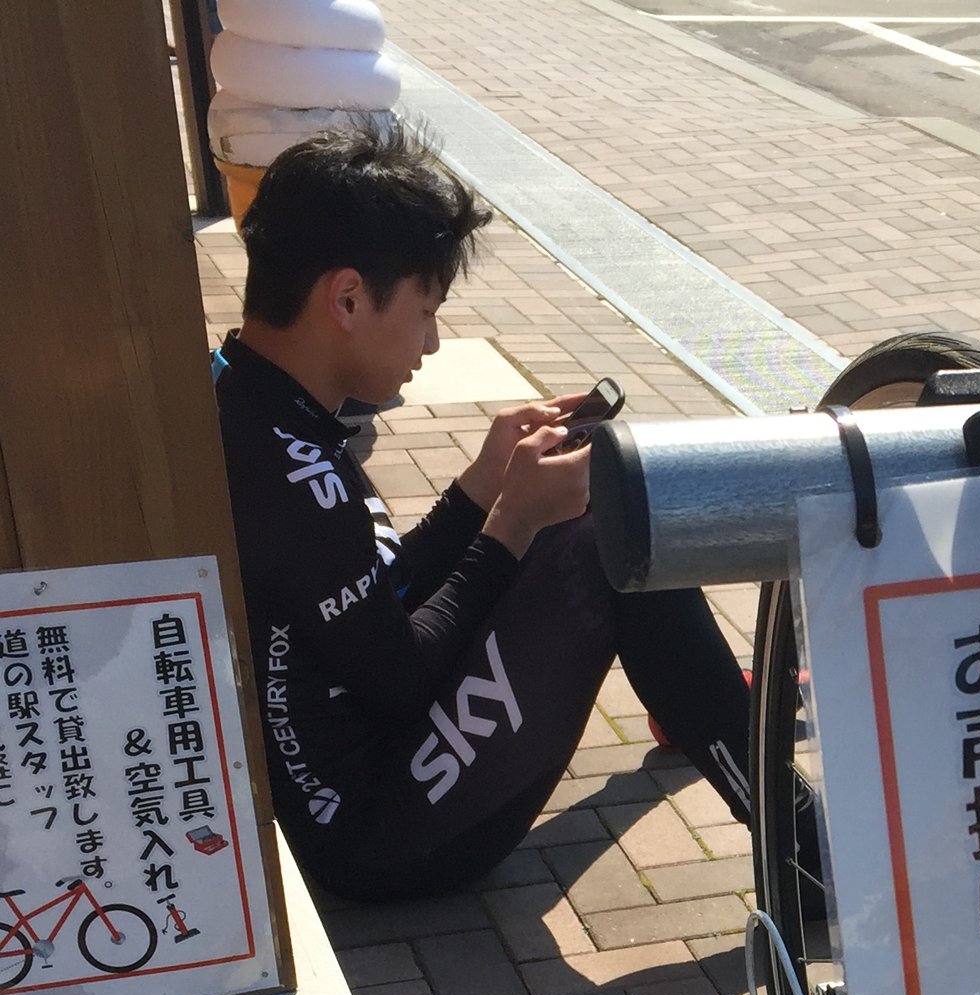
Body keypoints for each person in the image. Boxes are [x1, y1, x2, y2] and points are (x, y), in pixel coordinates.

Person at [214, 120, 751, 902]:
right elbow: (398, 677)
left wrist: (481, 486)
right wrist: (512, 522)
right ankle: (797, 838)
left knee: (580, 516)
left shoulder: (252, 403)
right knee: (606, 530)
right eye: (426, 310)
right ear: (349, 298)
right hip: (378, 835)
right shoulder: (296, 477)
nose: (430, 343)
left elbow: (373, 605)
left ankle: (693, 701)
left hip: (358, 773)